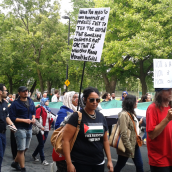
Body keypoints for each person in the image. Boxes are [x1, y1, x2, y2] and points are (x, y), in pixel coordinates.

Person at [62, 87, 113, 172]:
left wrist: (110, 160)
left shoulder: (101, 117)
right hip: (80, 163)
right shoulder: (76, 117)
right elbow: (65, 140)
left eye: (97, 100)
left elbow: (105, 141)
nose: (95, 102)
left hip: (99, 162)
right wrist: (69, 163)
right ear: (85, 100)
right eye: (91, 100)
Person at [114, 94, 144, 172]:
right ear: (131, 102)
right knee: (120, 164)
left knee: (139, 165)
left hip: (135, 144)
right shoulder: (124, 115)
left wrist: (139, 124)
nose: (137, 103)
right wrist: (129, 148)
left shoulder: (132, 113)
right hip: (127, 145)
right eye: (136, 101)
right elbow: (123, 133)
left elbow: (133, 129)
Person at [9, 86, 36, 172]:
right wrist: (24, 120)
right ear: (19, 93)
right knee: (21, 149)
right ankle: (23, 168)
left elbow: (33, 111)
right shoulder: (15, 103)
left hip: (29, 128)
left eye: (26, 91)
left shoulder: (30, 100)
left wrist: (33, 118)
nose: (26, 92)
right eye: (24, 91)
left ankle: (15, 162)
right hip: (20, 128)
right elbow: (12, 118)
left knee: (25, 148)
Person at [146, 88, 172, 172]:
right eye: (168, 90)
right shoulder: (152, 108)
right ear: (159, 92)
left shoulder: (170, 107)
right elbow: (152, 135)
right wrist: (167, 119)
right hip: (160, 160)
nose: (171, 92)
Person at [53, 91, 78, 172]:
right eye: (74, 97)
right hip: (64, 147)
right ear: (68, 99)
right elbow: (59, 129)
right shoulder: (63, 112)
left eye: (77, 97)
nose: (77, 99)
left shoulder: (77, 110)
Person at [32, 98, 56, 166]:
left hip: (46, 129)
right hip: (40, 129)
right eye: (47, 101)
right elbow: (35, 120)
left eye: (48, 101)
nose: (48, 102)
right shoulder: (40, 109)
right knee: (42, 144)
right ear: (43, 102)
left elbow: (50, 118)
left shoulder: (48, 109)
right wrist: (41, 127)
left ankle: (34, 154)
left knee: (41, 143)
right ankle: (43, 159)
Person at [0, 84, 17, 172]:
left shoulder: (4, 103)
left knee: (1, 155)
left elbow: (7, 116)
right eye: (5, 90)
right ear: (0, 92)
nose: (7, 92)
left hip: (3, 133)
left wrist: (13, 127)